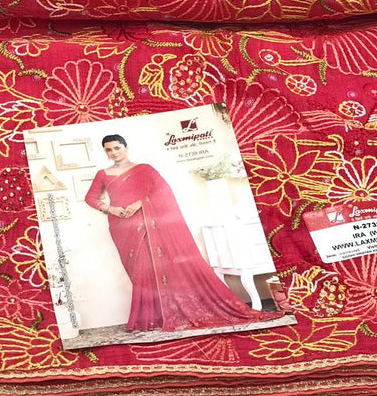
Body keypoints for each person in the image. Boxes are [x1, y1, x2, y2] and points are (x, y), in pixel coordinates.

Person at [85, 133, 274, 333]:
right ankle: (152, 316)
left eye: (117, 147)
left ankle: (169, 313)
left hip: (149, 220)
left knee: (165, 265)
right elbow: (90, 197)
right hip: (123, 226)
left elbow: (162, 192)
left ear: (126, 148)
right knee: (141, 270)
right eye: (108, 150)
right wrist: (110, 209)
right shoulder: (103, 174)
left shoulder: (145, 169)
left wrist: (140, 203)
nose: (113, 152)